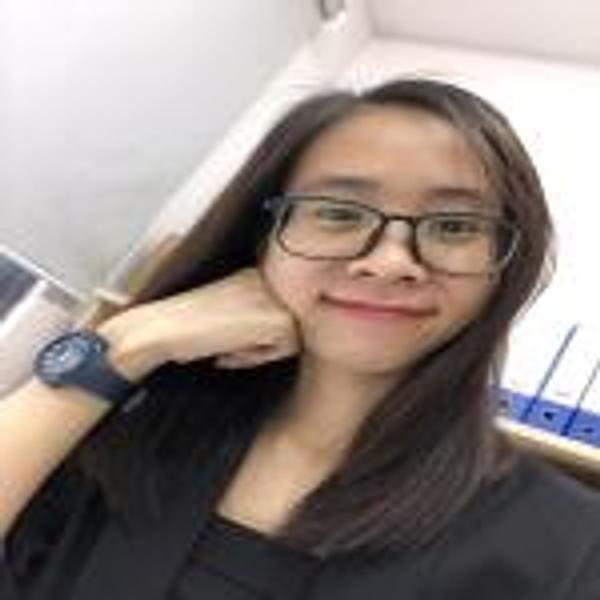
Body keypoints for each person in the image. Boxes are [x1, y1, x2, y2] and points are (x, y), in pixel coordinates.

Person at [1, 78, 599, 600]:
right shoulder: (125, 434)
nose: (390, 262)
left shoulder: (570, 545)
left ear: (503, 268)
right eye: (338, 213)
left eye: (454, 226)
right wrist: (132, 339)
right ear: (263, 238)